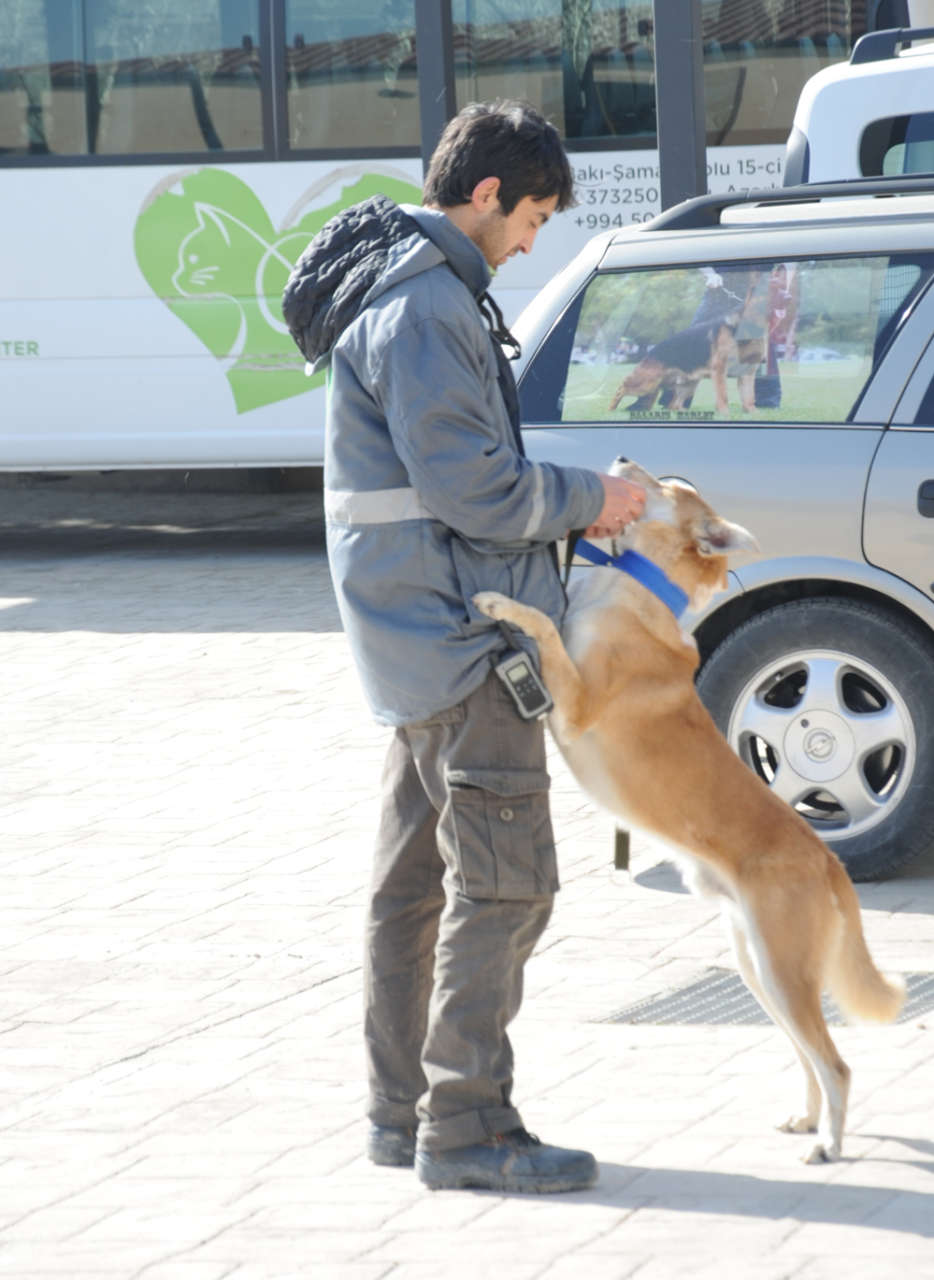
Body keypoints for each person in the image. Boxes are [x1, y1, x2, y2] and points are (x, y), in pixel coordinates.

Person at [282, 100, 645, 1194]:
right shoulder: (429, 307)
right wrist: (592, 498)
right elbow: (475, 490)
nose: (531, 242)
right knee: (505, 887)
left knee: (415, 892)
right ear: (486, 195)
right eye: (532, 217)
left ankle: (402, 1115)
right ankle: (469, 1127)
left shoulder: (396, 288)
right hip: (465, 642)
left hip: (414, 646)